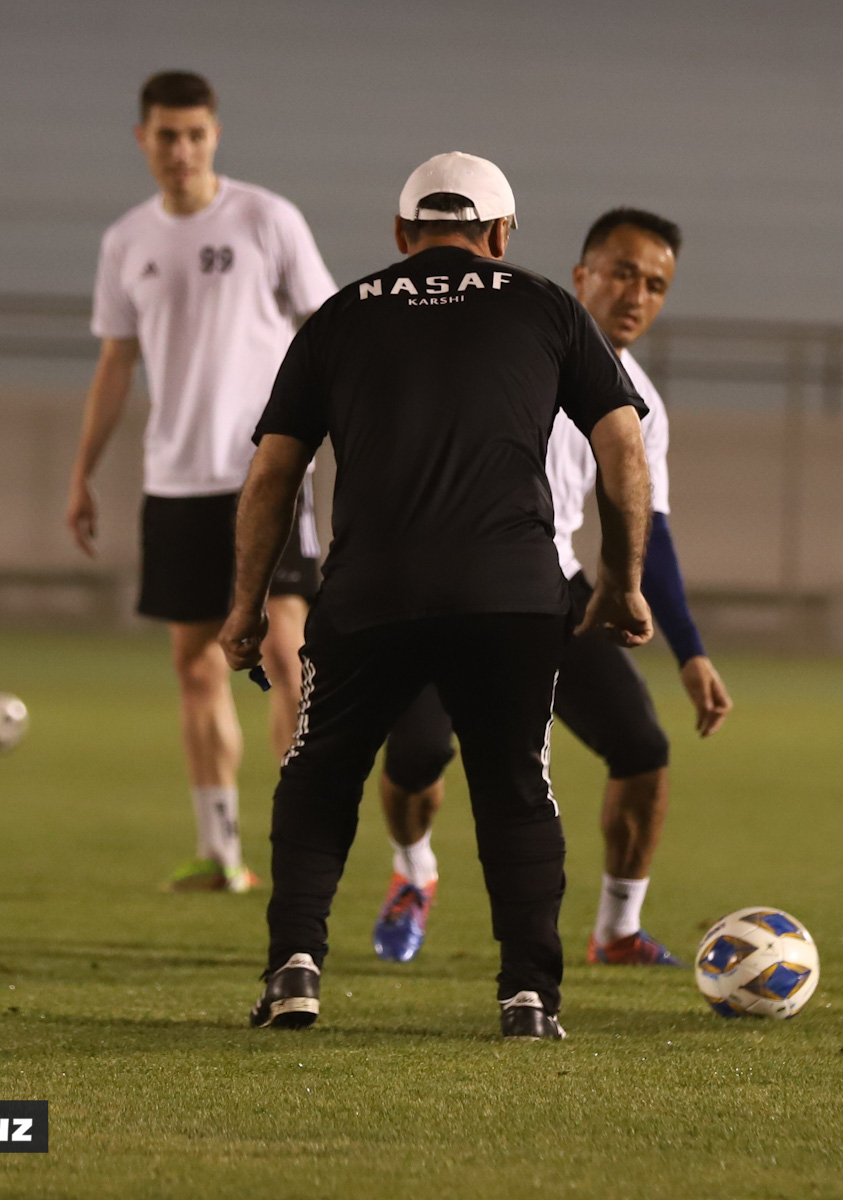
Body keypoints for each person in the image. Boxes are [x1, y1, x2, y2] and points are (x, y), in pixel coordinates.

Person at [219, 153, 654, 1040]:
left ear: (401, 236)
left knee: (321, 774)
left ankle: (295, 965)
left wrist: (245, 605)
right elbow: (622, 448)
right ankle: (529, 995)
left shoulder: (340, 314)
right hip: (514, 594)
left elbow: (271, 474)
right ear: (500, 235)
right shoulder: (545, 305)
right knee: (514, 787)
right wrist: (623, 582)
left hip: (371, 593)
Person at [369, 208, 732, 969]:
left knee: (642, 750)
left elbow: (648, 529)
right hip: (444, 587)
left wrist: (691, 653)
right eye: (624, 272)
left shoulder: (643, 403)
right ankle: (414, 874)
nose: (638, 293)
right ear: (582, 276)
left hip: (549, 586)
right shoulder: (516, 348)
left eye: (656, 283)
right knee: (416, 760)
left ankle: (617, 931)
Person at [65, 70, 335, 893]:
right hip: (174, 481)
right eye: (165, 135)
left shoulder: (265, 218)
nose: (181, 150)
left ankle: (299, 842)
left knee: (288, 655)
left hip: (266, 472)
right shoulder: (127, 241)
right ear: (142, 140)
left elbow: (328, 328)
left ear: (214, 135)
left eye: (194, 134)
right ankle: (220, 850)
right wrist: (81, 474)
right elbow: (117, 361)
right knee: (196, 665)